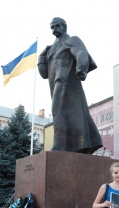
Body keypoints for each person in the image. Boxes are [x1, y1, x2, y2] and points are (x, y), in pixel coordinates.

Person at [38, 17, 102, 154]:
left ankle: (60, 145)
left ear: (64, 27)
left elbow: (81, 53)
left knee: (58, 111)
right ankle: (80, 143)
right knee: (68, 115)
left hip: (66, 82)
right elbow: (44, 74)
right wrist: (41, 59)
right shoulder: (50, 49)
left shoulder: (72, 40)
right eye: (52, 27)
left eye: (57, 25)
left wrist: (81, 69)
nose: (54, 28)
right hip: (55, 85)